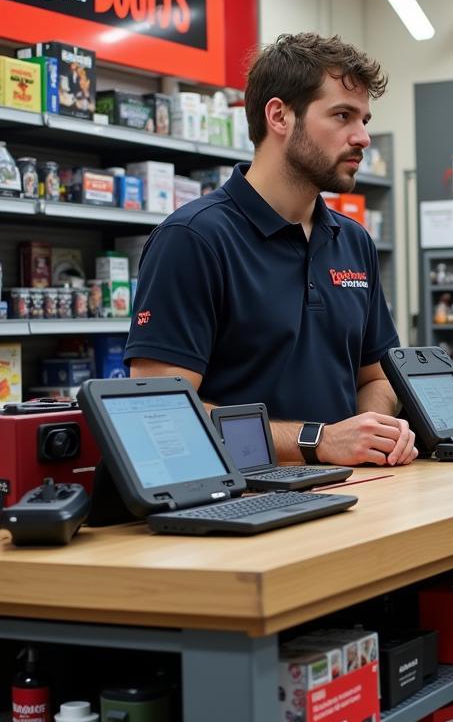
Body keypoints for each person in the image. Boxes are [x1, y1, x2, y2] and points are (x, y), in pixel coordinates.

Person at [125, 33, 416, 468]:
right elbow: (160, 410)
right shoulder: (193, 239)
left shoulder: (353, 241)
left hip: (354, 494)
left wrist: (372, 431)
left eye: (364, 120)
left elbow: (376, 376)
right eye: (342, 115)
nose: (362, 138)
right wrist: (317, 441)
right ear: (279, 116)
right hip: (240, 506)